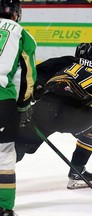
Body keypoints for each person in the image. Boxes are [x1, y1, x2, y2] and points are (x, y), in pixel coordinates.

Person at [15, 42, 92, 190]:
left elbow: (32, 74)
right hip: (71, 116)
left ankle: (3, 167)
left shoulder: (66, 61)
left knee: (20, 145)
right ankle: (77, 172)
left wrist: (32, 94)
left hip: (44, 109)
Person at [0, 0, 37, 215]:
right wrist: (23, 106)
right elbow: (27, 75)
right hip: (2, 101)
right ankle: (4, 207)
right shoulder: (20, 33)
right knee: (4, 156)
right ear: (15, 13)